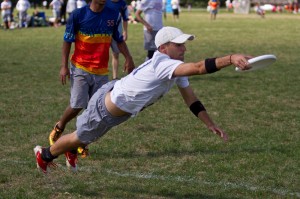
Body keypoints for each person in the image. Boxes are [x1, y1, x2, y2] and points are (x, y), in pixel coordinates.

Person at [34, 26, 252, 173]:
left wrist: (210, 124)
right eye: (179, 45)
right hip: (107, 109)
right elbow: (198, 67)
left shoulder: (172, 68)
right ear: (163, 48)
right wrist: (231, 58)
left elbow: (191, 100)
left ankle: (70, 150)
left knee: (85, 136)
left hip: (117, 103)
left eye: (184, 44)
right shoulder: (163, 64)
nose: (184, 48)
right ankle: (44, 156)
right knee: (79, 136)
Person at [46, 0, 134, 162]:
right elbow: (67, 41)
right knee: (77, 105)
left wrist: (128, 57)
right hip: (80, 67)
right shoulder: (78, 15)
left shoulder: (113, 15)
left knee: (96, 110)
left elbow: (119, 40)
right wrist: (63, 66)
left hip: (101, 71)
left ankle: (81, 142)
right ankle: (59, 127)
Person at [106, 0, 129, 80]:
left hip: (117, 32)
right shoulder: (104, 1)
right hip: (104, 32)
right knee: (102, 53)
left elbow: (125, 18)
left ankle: (115, 77)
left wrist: (125, 31)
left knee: (115, 54)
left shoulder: (122, 3)